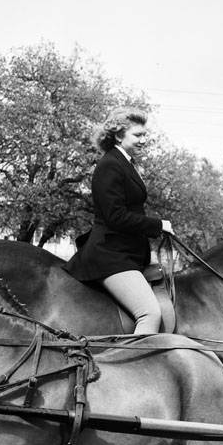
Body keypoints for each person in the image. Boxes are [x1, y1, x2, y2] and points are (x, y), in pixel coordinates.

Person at [63, 106, 174, 335]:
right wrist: (158, 225)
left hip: (126, 253)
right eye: (138, 135)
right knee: (149, 314)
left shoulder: (125, 163)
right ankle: (138, 368)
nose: (144, 140)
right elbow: (116, 217)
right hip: (110, 255)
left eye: (145, 135)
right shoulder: (110, 165)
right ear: (119, 135)